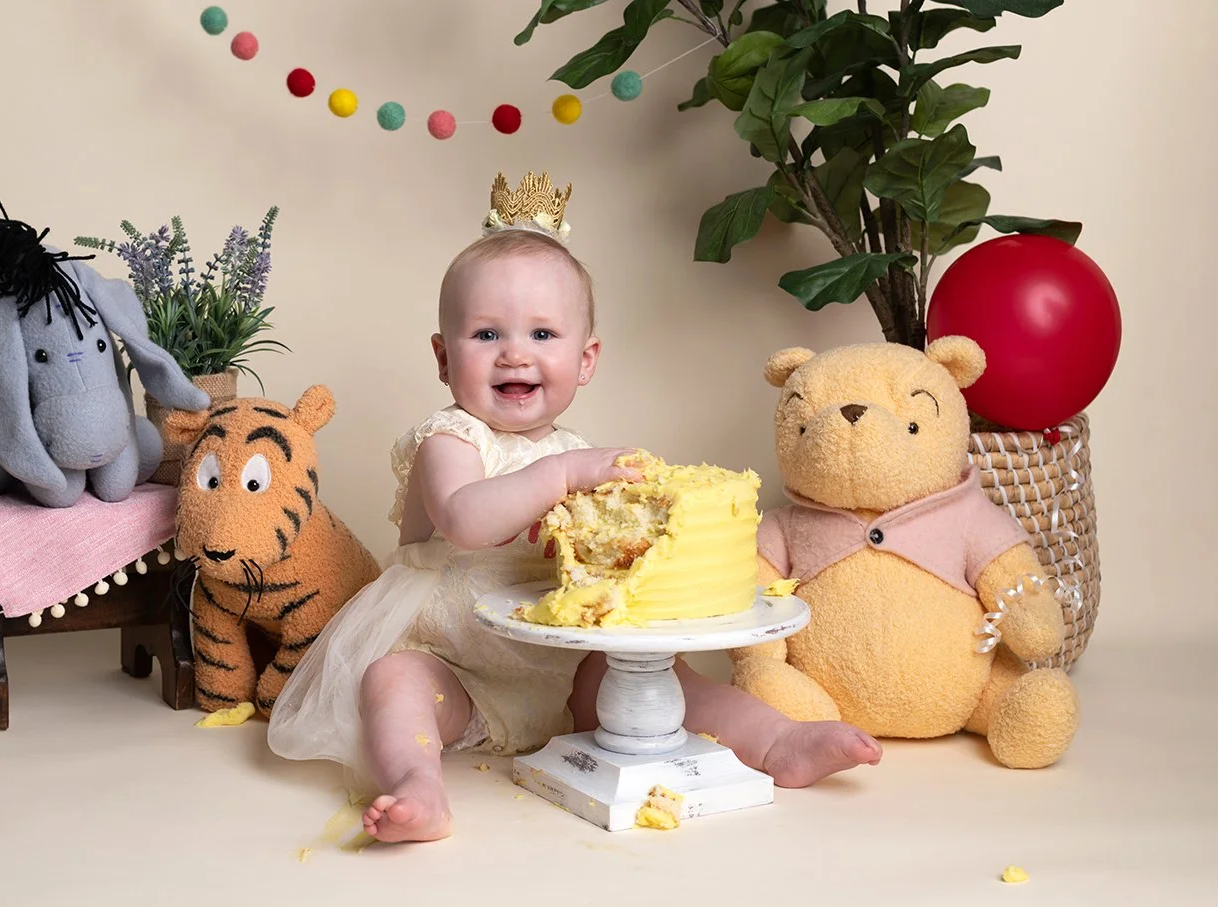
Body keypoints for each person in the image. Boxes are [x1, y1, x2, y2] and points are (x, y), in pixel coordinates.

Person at [266, 172, 882, 844]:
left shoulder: (574, 450)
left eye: (541, 333)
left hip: (562, 669)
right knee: (392, 684)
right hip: (454, 665)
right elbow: (465, 521)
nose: (514, 353)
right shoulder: (450, 439)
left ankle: (775, 742)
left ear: (585, 359)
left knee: (662, 680)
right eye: (484, 335)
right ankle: (418, 784)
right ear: (443, 359)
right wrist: (562, 475)